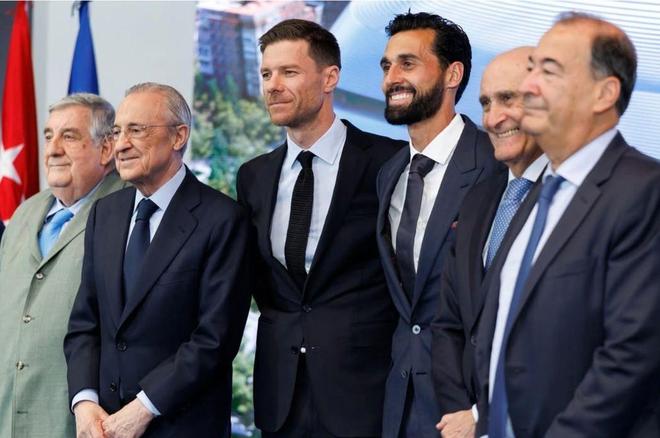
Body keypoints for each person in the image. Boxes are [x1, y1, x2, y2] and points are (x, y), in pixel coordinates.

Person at [475, 13, 660, 438]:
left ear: (603, 93)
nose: (529, 86)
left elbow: (631, 357)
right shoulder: (537, 193)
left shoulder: (644, 192)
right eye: (532, 69)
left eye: (549, 71)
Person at [237, 19, 405, 438]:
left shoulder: (389, 162)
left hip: (363, 395)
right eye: (266, 74)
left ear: (330, 78)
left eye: (288, 72)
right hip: (280, 397)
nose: (273, 86)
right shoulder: (253, 176)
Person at [64, 82, 251, 438]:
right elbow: (85, 323)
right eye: (117, 132)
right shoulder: (105, 213)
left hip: (181, 426)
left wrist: (143, 408)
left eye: (136, 130)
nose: (120, 144)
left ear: (179, 136)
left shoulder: (223, 219)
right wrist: (84, 402)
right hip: (103, 426)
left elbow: (215, 339)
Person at [376, 12, 503, 438]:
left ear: (453, 75)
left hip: (465, 407)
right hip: (399, 402)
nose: (392, 78)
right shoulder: (390, 173)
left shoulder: (495, 166)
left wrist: (482, 410)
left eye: (408, 63)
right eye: (387, 65)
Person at [430, 47, 547, 438]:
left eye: (508, 99)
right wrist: (459, 413)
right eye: (485, 103)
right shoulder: (478, 200)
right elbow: (449, 324)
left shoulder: (572, 201)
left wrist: (482, 416)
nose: (493, 118)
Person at [0, 93, 125, 438]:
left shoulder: (129, 211)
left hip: (81, 421)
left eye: (68, 136)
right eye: (48, 136)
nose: (52, 149)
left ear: (106, 148)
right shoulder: (25, 212)